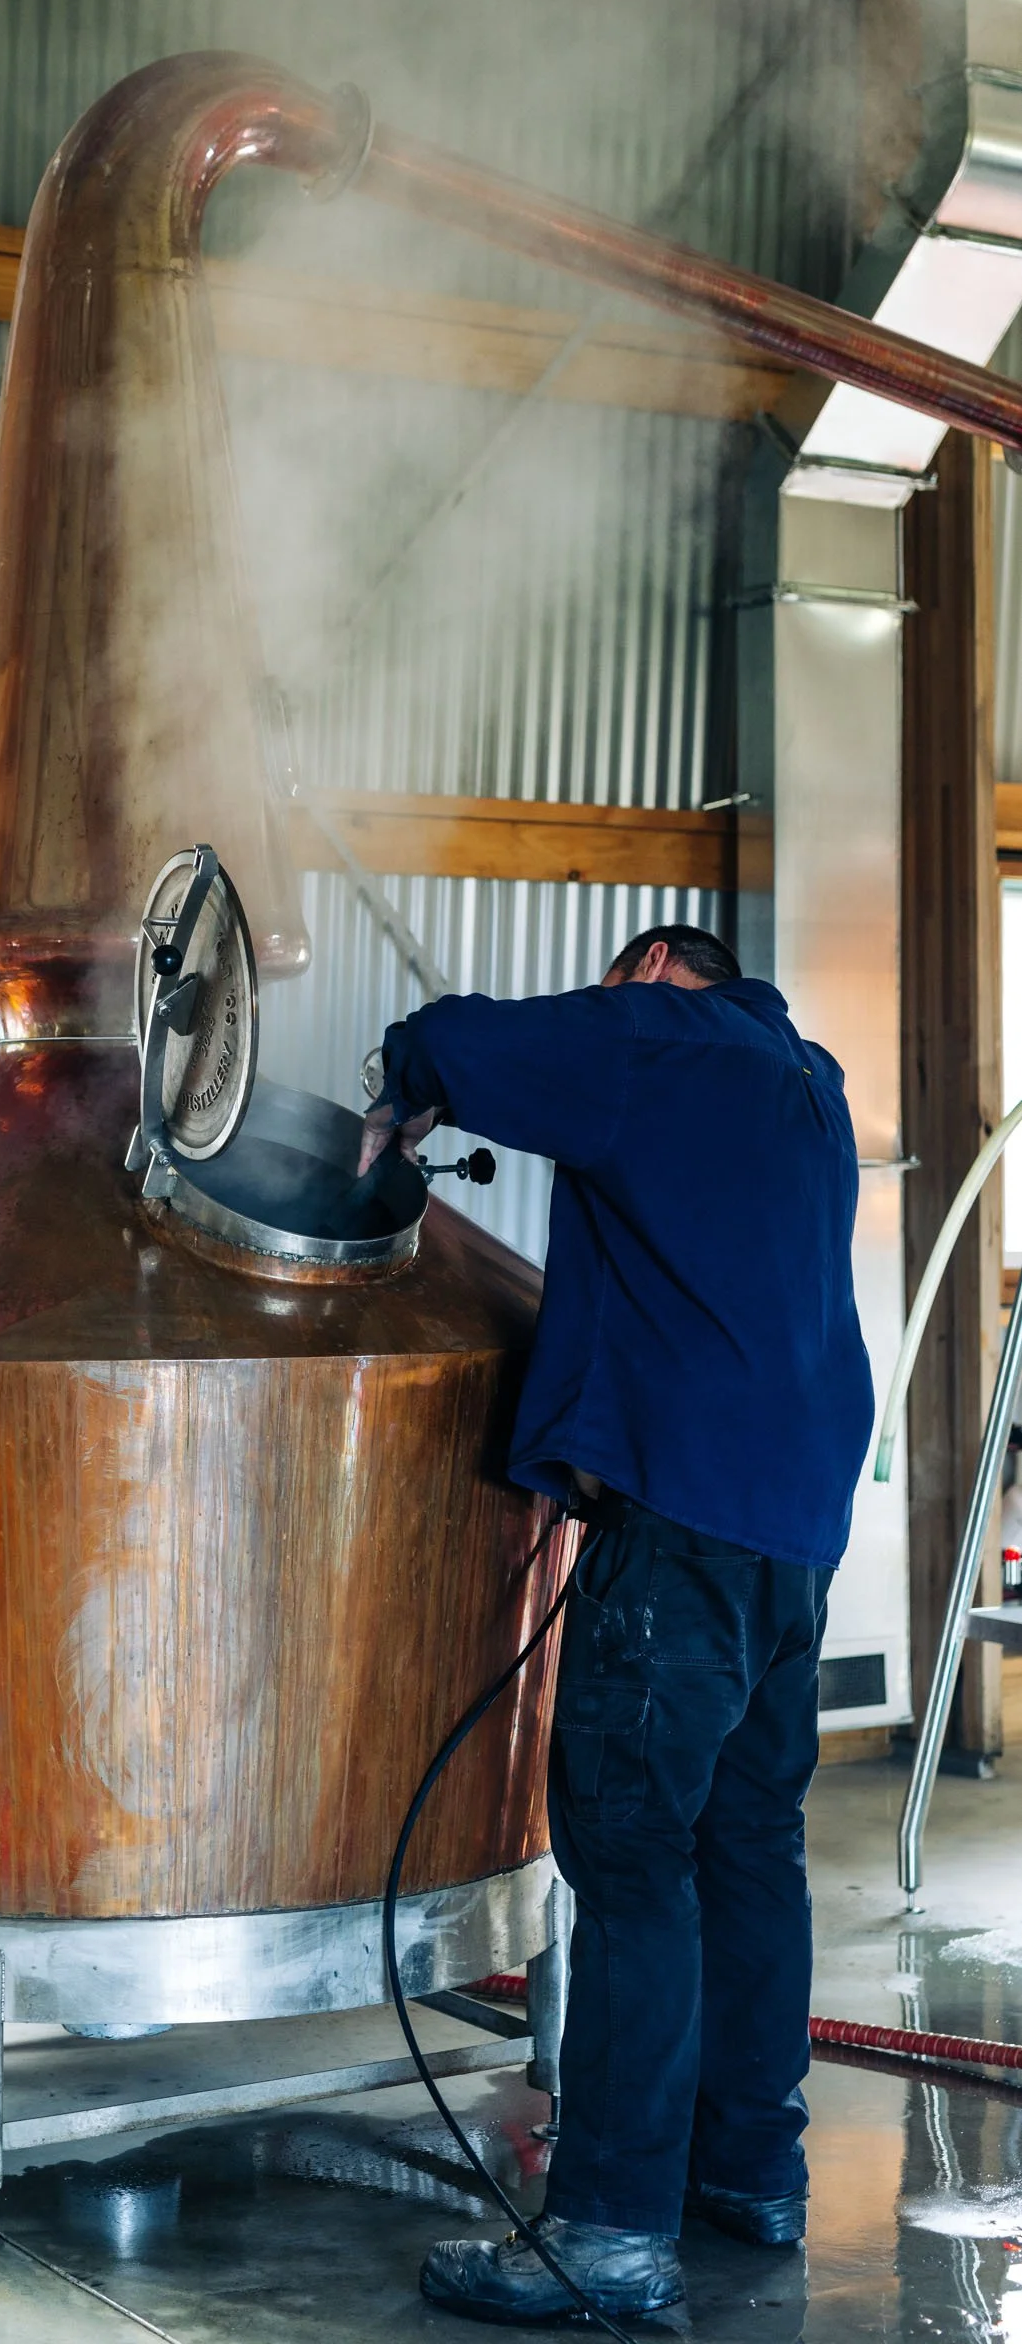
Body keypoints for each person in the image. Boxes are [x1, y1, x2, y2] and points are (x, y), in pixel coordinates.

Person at [357, 923, 873, 2327]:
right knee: (748, 1848)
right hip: (787, 1536)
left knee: (633, 1865)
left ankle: (608, 2231)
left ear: (648, 975)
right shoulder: (803, 1078)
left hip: (683, 1537)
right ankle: (751, 2171)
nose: (603, 1014)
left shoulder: (664, 1042)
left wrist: (396, 1092)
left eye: (612, 995)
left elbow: (460, 1039)